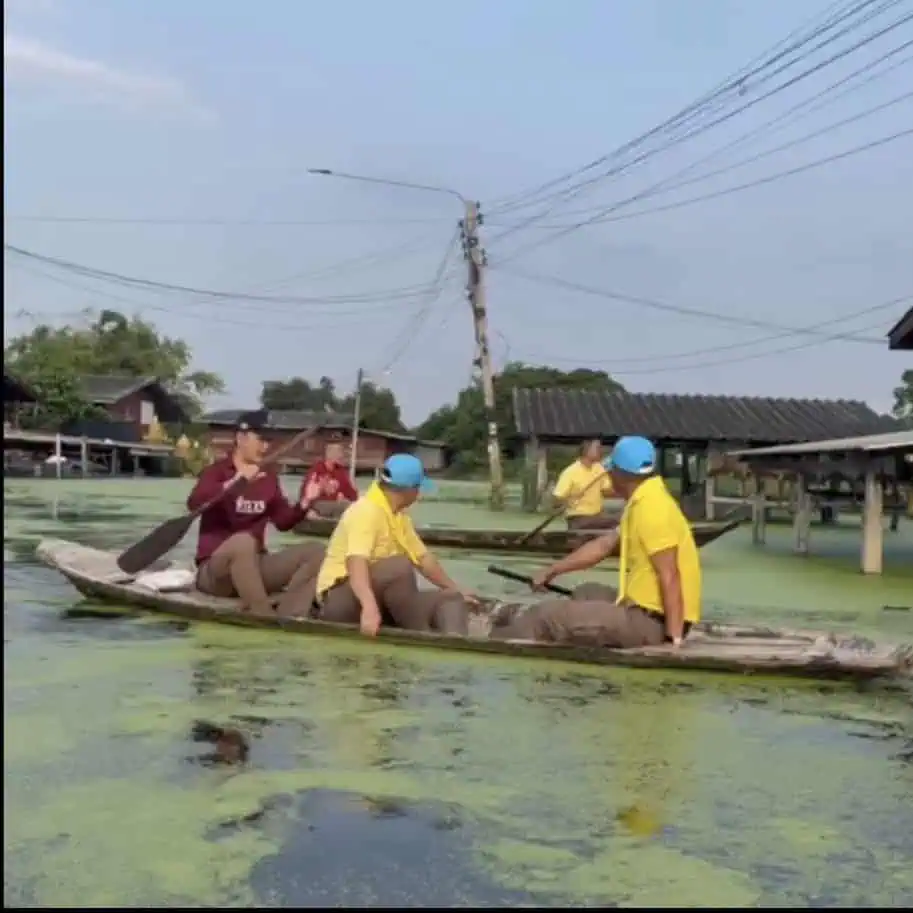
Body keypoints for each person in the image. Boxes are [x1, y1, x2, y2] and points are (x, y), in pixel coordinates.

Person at [490, 436, 701, 649]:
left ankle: (493, 643)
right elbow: (603, 546)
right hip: (643, 609)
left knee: (544, 616)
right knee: (586, 592)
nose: (608, 476)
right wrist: (552, 570)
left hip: (652, 622)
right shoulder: (643, 499)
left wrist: (674, 641)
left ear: (621, 474)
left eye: (611, 471)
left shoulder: (653, 509)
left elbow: (670, 575)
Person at [312, 453, 476, 637]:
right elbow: (356, 562)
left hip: (380, 595)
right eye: (418, 488)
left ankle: (452, 640)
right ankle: (419, 632)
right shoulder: (365, 511)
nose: (419, 494)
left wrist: (454, 588)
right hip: (339, 599)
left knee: (451, 598)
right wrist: (369, 607)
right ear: (408, 490)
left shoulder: (399, 515)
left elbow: (423, 559)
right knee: (399, 566)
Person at [187, 410, 326, 616]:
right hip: (216, 573)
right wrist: (233, 483)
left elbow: (283, 522)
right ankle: (262, 612)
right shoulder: (216, 472)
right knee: (243, 541)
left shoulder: (268, 478)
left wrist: (305, 502)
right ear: (241, 438)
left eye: (268, 441)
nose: (266, 447)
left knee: (317, 551)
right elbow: (194, 503)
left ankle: (292, 611)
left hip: (255, 566)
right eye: (260, 440)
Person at [553, 439, 617, 530]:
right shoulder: (570, 472)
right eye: (597, 448)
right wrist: (569, 500)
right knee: (615, 521)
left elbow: (606, 491)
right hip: (578, 517)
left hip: (597, 516)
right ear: (586, 450)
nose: (601, 451)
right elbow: (556, 500)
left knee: (620, 521)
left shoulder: (599, 468)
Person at [299, 441, 359, 520]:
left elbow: (350, 492)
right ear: (331, 457)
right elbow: (305, 493)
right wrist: (309, 509)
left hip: (334, 504)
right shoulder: (317, 470)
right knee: (346, 507)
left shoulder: (341, 472)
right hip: (317, 504)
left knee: (353, 506)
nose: (342, 458)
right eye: (340, 456)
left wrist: (356, 499)